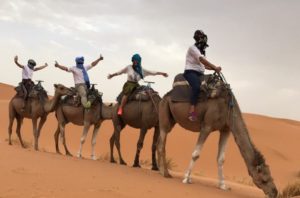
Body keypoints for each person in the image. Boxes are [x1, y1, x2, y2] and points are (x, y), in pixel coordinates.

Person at [184, 30, 222, 121]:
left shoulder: (202, 51)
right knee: (197, 87)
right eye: (202, 38)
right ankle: (192, 110)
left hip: (201, 73)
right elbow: (201, 60)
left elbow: (204, 65)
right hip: (191, 72)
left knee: (212, 84)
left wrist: (214, 68)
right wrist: (214, 67)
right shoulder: (192, 48)